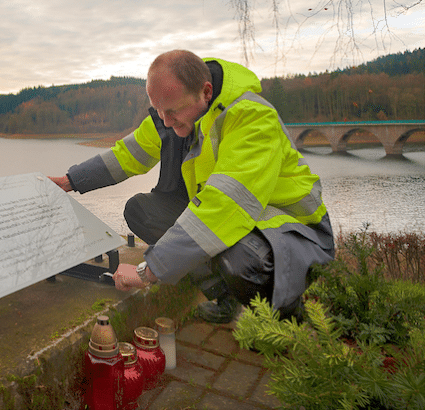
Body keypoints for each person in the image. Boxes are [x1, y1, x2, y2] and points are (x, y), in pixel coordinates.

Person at [50, 50, 335, 323]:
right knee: (141, 211)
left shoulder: (252, 118)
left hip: (292, 229)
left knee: (243, 260)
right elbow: (127, 155)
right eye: (159, 110)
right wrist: (70, 181)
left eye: (171, 111)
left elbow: (223, 207)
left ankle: (286, 318)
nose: (164, 120)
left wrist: (148, 271)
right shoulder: (175, 114)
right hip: (242, 217)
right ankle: (225, 297)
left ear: (206, 92)